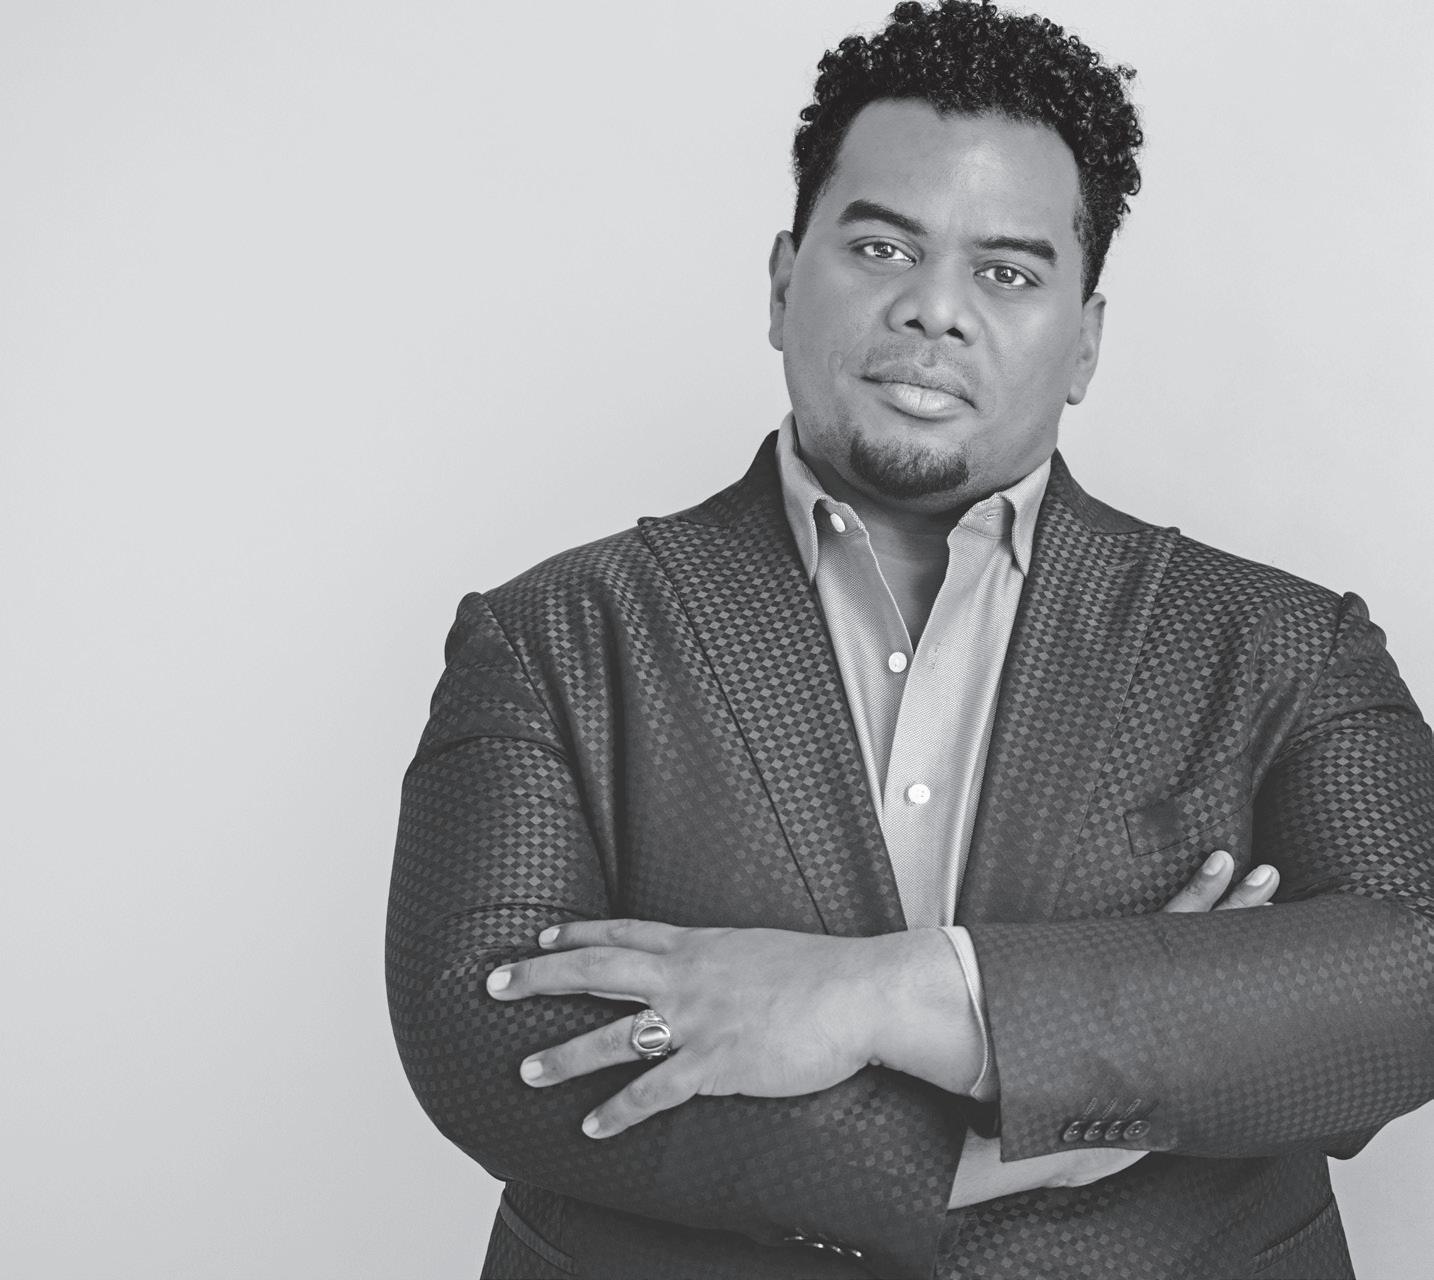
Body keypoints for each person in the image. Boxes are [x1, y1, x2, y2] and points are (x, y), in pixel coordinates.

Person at [386, 2, 1434, 1276]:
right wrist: (1030, 1118)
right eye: (882, 246)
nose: (935, 308)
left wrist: (886, 993)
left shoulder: (1287, 647)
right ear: (784, 282)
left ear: (1086, 339)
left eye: (1008, 272)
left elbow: (1410, 975)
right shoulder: (552, 635)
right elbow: (486, 1035)